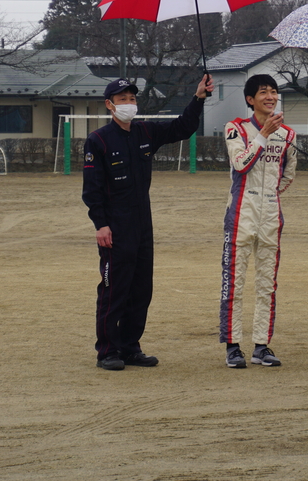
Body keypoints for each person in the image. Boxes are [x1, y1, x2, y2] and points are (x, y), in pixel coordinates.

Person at [82, 74, 214, 371]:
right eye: (122, 99)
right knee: (114, 289)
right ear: (109, 105)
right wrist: (100, 224)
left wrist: (199, 98)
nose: (129, 104)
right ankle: (107, 350)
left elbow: (183, 127)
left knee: (141, 290)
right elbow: (91, 189)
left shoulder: (145, 132)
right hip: (115, 225)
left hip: (143, 223)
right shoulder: (98, 139)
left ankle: (130, 347)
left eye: (132, 98)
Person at [220, 74, 297, 368]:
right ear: (250, 99)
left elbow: (288, 172)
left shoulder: (288, 134)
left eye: (274, 91)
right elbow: (241, 164)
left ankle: (262, 345)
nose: (270, 96)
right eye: (263, 92)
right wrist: (263, 134)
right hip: (241, 212)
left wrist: (271, 194)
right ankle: (232, 345)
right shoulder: (235, 128)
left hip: (270, 214)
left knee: (267, 283)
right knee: (234, 282)